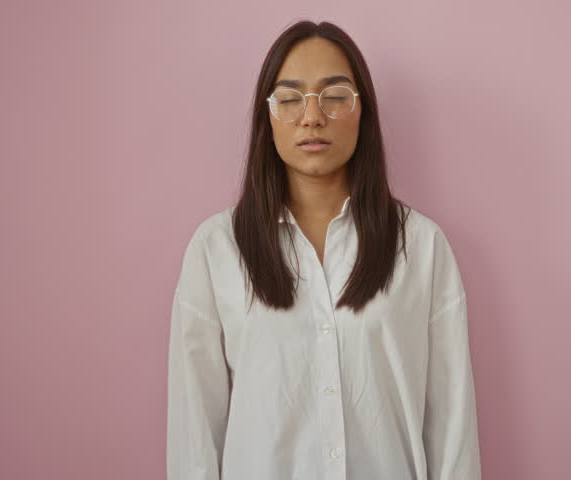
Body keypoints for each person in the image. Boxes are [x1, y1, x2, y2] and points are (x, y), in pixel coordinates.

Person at [166, 20, 482, 480]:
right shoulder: (217, 250)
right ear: (267, 118)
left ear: (362, 111)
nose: (312, 116)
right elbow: (194, 431)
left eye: (334, 96)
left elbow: (453, 426)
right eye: (290, 98)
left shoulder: (421, 246)